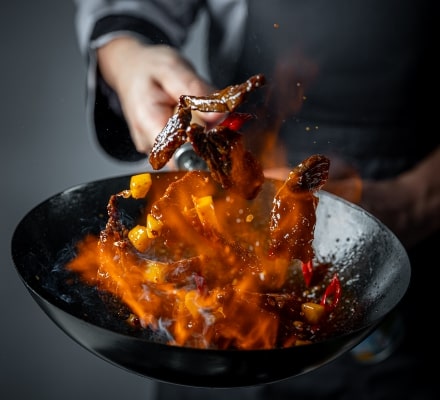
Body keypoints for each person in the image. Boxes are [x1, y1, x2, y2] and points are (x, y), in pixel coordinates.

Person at [73, 1, 439, 398]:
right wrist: (129, 59)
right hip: (235, 178)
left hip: (411, 233)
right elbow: (130, 13)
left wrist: (414, 200)